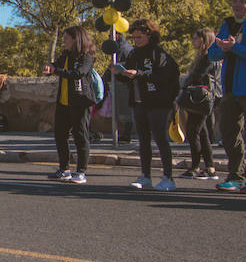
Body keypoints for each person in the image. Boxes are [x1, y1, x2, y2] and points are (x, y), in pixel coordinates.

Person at [113, 19, 180, 191]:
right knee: (143, 140)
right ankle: (146, 176)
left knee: (160, 139)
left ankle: (168, 177)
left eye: (139, 37)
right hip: (138, 101)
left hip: (158, 102)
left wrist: (138, 74)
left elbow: (164, 77)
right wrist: (120, 73)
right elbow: (131, 75)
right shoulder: (134, 54)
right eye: (134, 38)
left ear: (149, 35)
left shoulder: (159, 53)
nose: (136, 40)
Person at [209, 0, 246, 193]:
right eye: (235, 1)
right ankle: (236, 176)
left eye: (243, 1)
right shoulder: (228, 24)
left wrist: (234, 48)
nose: (237, 5)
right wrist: (224, 48)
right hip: (229, 90)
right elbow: (212, 53)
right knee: (228, 134)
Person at [43, 26, 97, 184]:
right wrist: (50, 67)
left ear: (75, 39)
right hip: (63, 102)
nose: (64, 42)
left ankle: (81, 171)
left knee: (80, 136)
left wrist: (56, 71)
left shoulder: (86, 57)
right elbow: (56, 66)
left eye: (66, 38)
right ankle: (64, 169)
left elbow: (78, 73)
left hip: (79, 102)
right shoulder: (65, 55)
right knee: (60, 135)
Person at [176, 29, 221, 180]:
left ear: (203, 40)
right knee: (202, 133)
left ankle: (196, 166)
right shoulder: (204, 56)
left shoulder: (209, 57)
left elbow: (198, 75)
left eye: (195, 38)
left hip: (201, 99)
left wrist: (184, 86)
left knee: (193, 131)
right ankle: (210, 167)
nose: (193, 41)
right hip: (200, 98)